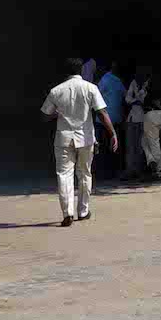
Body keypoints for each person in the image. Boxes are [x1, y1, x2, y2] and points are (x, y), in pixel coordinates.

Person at [41, 57, 117, 225]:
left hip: (64, 138)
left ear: (65, 72)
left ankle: (67, 212)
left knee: (64, 174)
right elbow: (102, 112)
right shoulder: (91, 88)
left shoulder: (56, 91)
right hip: (86, 138)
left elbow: (45, 115)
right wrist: (112, 133)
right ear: (81, 70)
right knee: (84, 173)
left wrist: (58, 114)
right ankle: (83, 211)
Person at [96, 59, 127, 178]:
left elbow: (96, 96)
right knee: (111, 147)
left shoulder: (108, 80)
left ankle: (106, 172)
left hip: (107, 119)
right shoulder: (111, 80)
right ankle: (108, 172)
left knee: (106, 147)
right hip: (111, 119)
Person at [123, 64, 149, 177]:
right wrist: (136, 100)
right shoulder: (133, 83)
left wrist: (136, 99)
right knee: (131, 145)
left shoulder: (147, 85)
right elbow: (127, 99)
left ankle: (139, 170)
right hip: (132, 118)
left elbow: (143, 101)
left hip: (143, 118)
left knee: (141, 146)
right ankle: (130, 170)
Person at [141, 93, 161, 180]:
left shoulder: (147, 113)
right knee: (154, 146)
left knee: (145, 143)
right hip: (156, 125)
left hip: (147, 120)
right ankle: (157, 169)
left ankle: (151, 161)